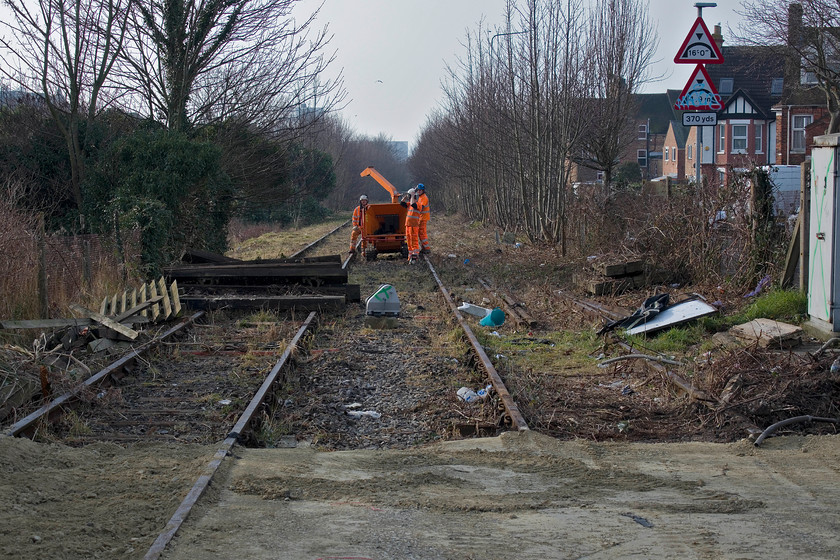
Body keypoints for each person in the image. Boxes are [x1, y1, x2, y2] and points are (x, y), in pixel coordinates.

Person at [400, 188, 421, 263]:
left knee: (414, 240)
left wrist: (412, 195)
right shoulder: (409, 204)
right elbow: (402, 203)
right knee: (409, 241)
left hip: (413, 226)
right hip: (408, 225)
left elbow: (413, 204)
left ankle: (415, 255)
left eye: (409, 196)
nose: (408, 198)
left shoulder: (418, 204)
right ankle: (410, 255)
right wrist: (405, 196)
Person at [415, 183, 430, 254]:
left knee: (422, 233)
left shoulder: (424, 198)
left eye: (420, 190)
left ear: (423, 191)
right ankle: (424, 247)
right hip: (421, 218)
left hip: (423, 218)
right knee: (421, 233)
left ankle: (426, 248)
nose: (418, 191)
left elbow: (421, 207)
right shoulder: (421, 197)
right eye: (418, 190)